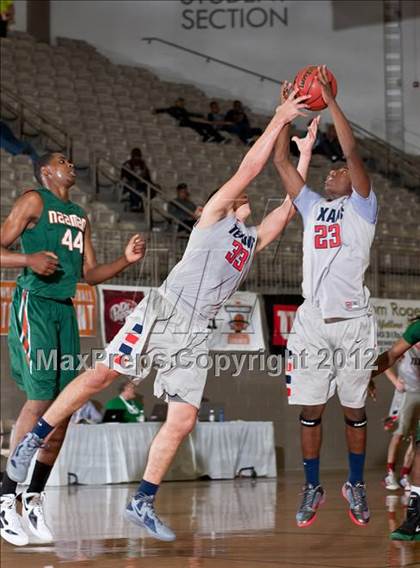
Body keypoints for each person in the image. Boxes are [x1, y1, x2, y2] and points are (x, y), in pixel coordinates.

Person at [6, 90, 311, 542]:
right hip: (165, 312)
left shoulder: (249, 241)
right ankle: (37, 435)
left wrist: (301, 156)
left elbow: (288, 210)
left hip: (194, 334)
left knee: (184, 419)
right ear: (225, 202)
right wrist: (281, 118)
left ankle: (142, 499)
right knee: (103, 373)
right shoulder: (213, 218)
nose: (246, 195)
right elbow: (249, 166)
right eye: (239, 195)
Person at [0, 152, 146, 547]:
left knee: (63, 409)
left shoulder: (80, 215)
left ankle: (33, 498)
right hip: (35, 304)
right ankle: (4, 497)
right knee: (40, 398)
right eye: (62, 161)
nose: (71, 165)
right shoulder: (33, 200)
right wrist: (26, 258)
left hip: (65, 312)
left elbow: (90, 275)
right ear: (46, 171)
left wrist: (125, 261)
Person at [273, 68, 378, 528]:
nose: (334, 171)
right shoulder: (314, 206)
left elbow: (352, 149)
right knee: (310, 411)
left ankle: (354, 483)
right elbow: (280, 164)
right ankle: (312, 484)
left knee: (355, 411)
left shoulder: (362, 206)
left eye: (338, 170)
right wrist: (283, 115)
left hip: (353, 322)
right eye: (330, 170)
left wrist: (330, 100)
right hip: (313, 321)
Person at [371, 317, 420, 541]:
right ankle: (416, 515)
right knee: (417, 447)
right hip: (413, 393)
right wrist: (367, 374)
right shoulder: (417, 329)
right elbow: (391, 355)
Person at [383, 353, 419, 491]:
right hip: (405, 395)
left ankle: (405, 475)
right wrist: (395, 380)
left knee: (415, 438)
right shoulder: (406, 346)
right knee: (398, 434)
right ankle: (390, 474)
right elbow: (385, 361)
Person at [154, 98, 227, 143]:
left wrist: (200, 115)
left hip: (188, 121)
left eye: (182, 103)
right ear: (176, 102)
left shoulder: (183, 109)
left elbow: (189, 114)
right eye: (180, 102)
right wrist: (157, 111)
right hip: (183, 122)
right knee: (195, 125)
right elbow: (164, 110)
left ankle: (219, 138)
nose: (182, 104)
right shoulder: (173, 108)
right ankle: (206, 137)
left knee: (206, 125)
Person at [120, 148, 153, 213]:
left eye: (138, 155)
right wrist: (136, 177)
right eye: (135, 155)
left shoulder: (143, 165)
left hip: (141, 184)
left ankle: (145, 208)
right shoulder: (127, 164)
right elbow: (125, 176)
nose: (137, 157)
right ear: (132, 155)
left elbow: (147, 178)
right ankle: (135, 205)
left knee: (150, 188)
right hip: (129, 185)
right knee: (134, 187)